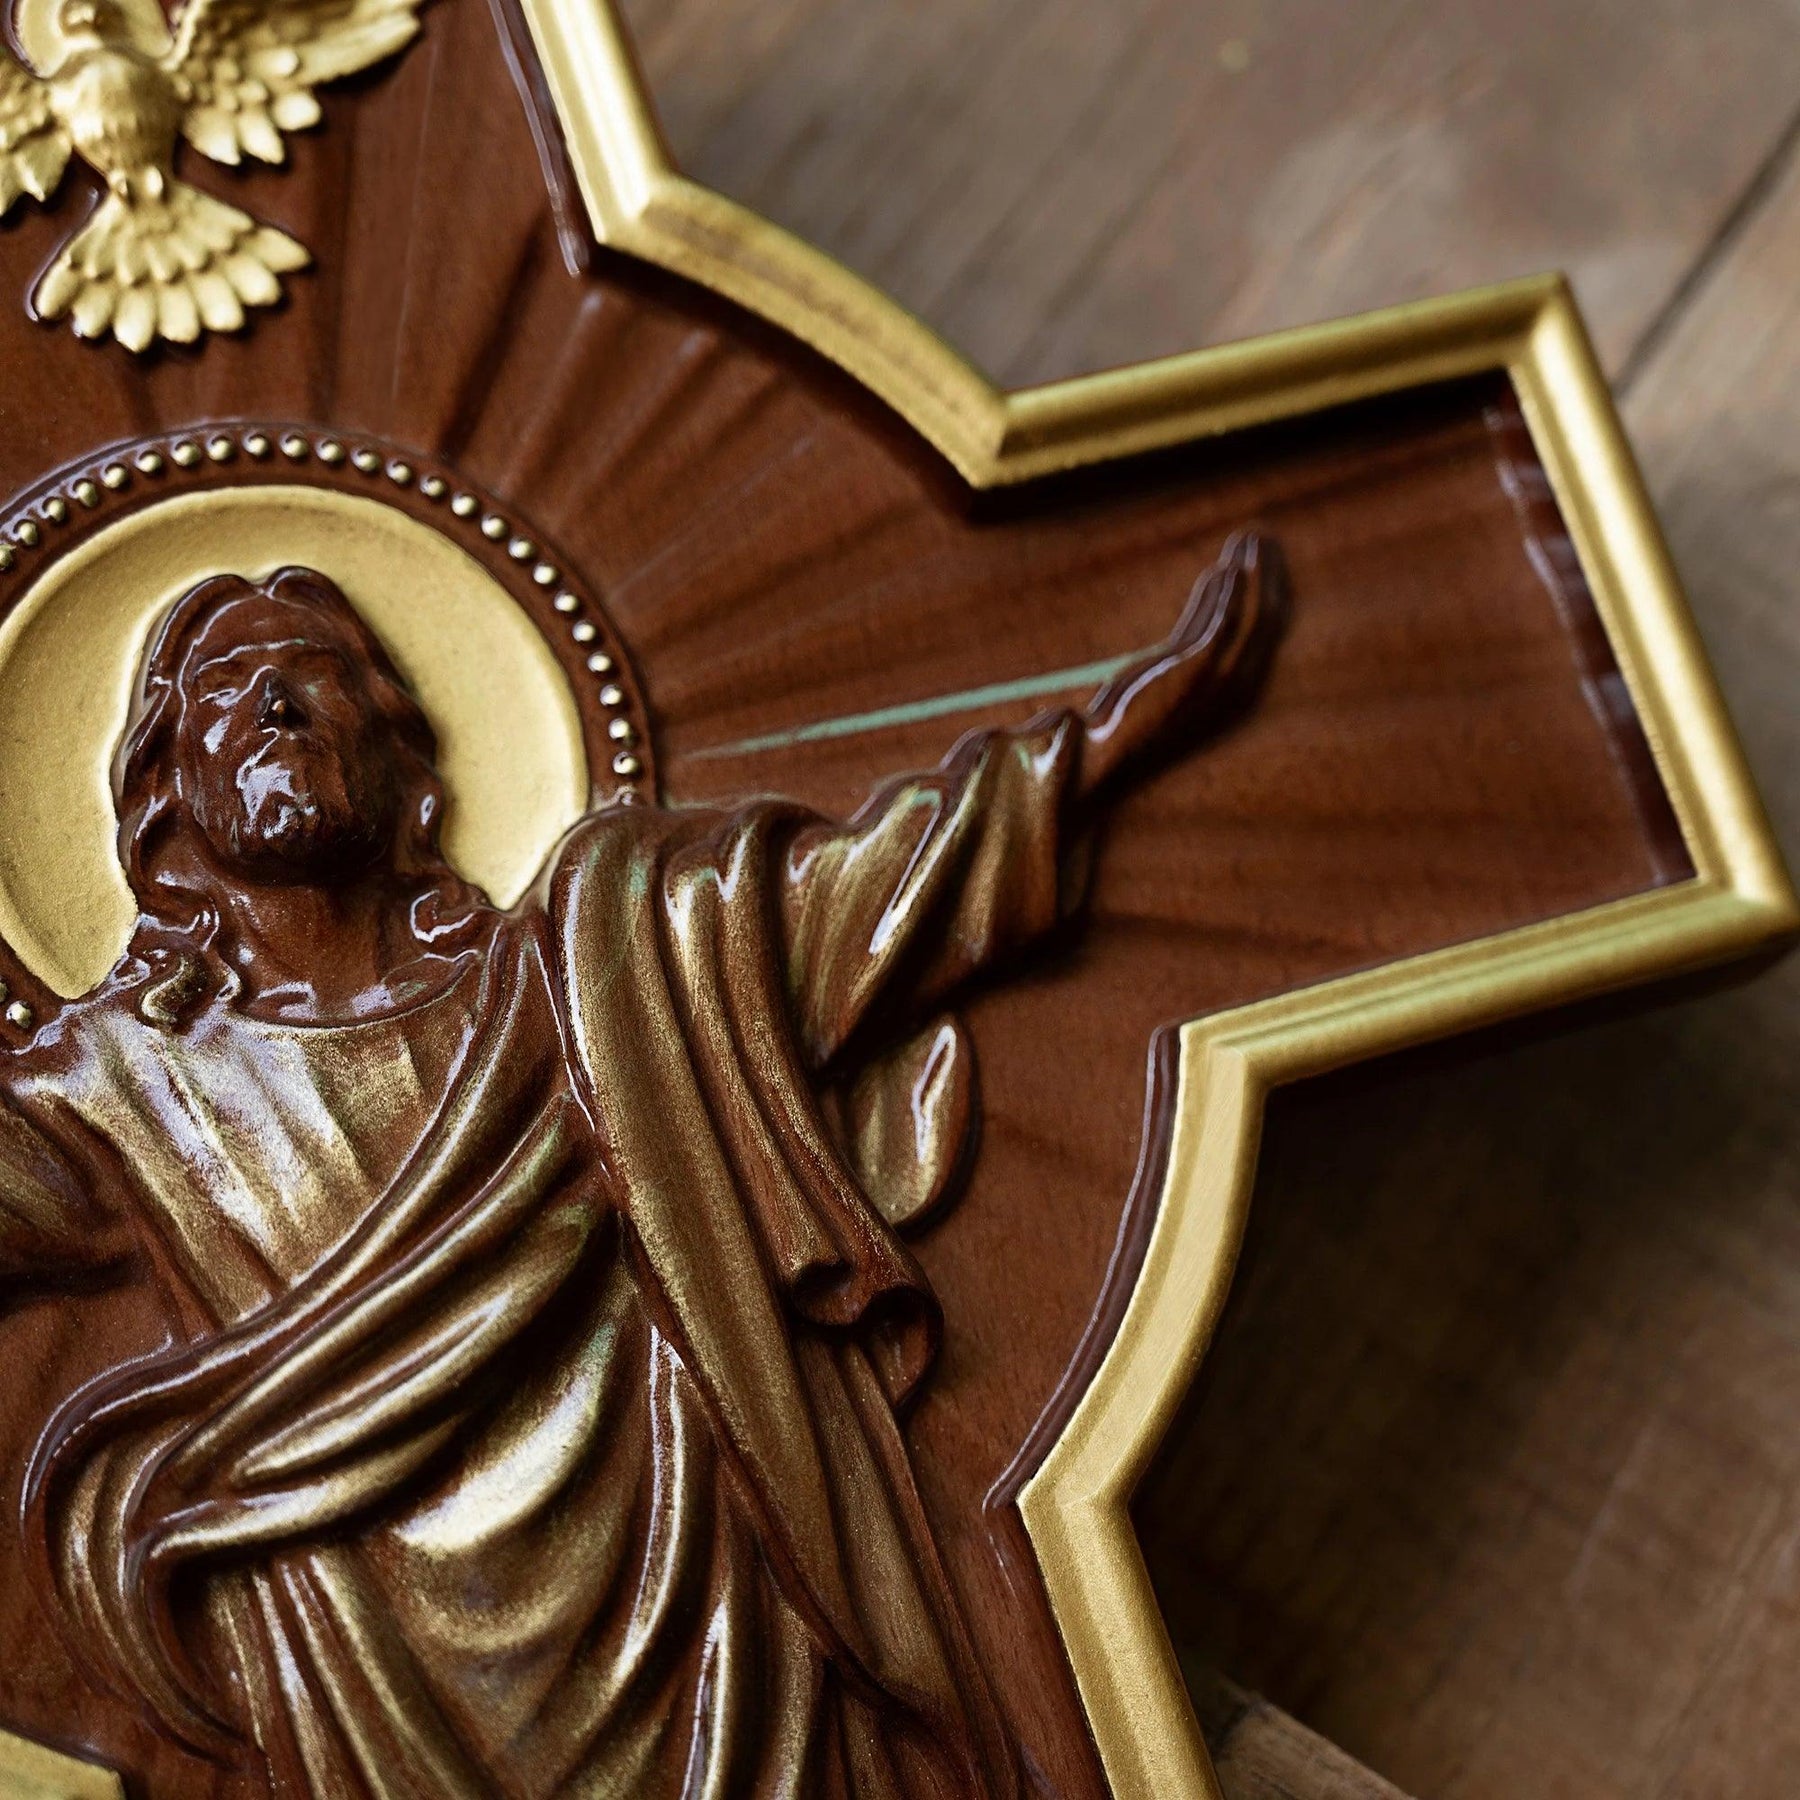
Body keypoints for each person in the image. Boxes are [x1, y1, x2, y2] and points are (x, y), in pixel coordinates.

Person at [0, 537, 1283, 1799]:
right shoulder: (121, 1085)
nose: (273, 700)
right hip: (395, 1687)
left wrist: (1113, 743)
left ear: (397, 746)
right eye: (222, 691)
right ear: (166, 796)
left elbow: (882, 893)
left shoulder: (602, 972)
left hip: (715, 1614)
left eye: (313, 669)